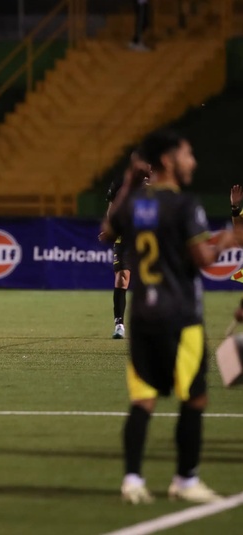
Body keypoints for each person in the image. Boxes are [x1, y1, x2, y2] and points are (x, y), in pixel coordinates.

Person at [102, 130, 237, 505]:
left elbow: (108, 231)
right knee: (193, 399)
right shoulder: (185, 205)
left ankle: (132, 479)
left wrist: (129, 181)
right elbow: (204, 260)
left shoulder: (133, 203)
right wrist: (229, 237)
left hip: (144, 316)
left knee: (143, 400)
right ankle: (185, 479)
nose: (192, 161)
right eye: (186, 154)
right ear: (167, 162)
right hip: (181, 316)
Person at [102, 153, 151, 339]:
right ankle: (119, 325)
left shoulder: (158, 184)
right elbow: (111, 209)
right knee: (122, 278)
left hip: (148, 239)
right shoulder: (120, 183)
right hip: (124, 237)